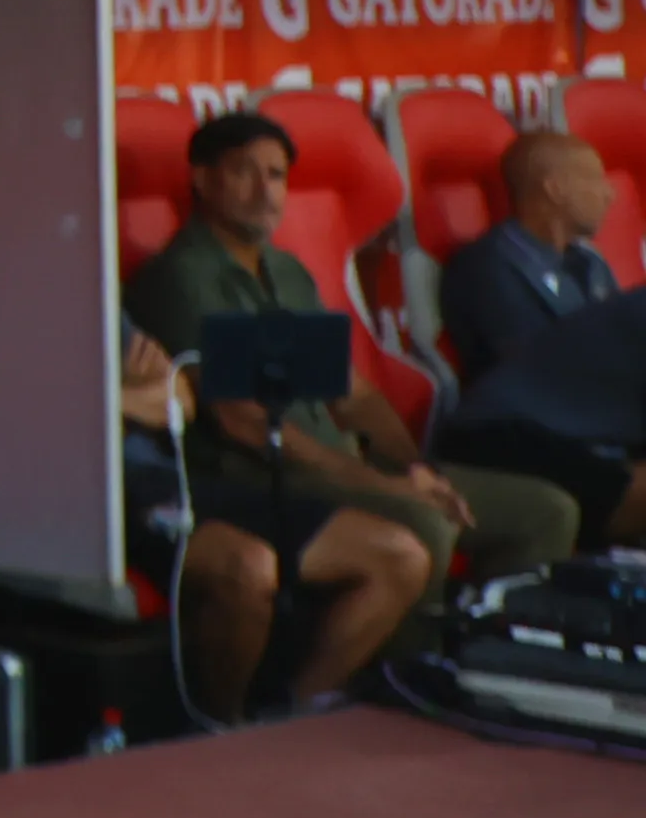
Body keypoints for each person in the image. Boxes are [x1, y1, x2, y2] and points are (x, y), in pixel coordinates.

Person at [119, 110, 534, 716]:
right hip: (261, 473)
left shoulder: (285, 271)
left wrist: (418, 469)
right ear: (202, 181)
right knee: (424, 527)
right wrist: (393, 487)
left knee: (542, 511)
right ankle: (401, 694)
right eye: (244, 173)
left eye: (277, 176)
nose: (266, 191)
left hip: (341, 465)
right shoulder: (181, 278)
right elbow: (243, 424)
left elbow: (354, 396)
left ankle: (489, 675)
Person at [434, 130, 646, 547]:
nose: (609, 195)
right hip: (518, 432)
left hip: (594, 425)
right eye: (594, 180)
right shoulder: (490, 264)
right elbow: (538, 364)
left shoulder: (590, 264)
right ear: (556, 188)